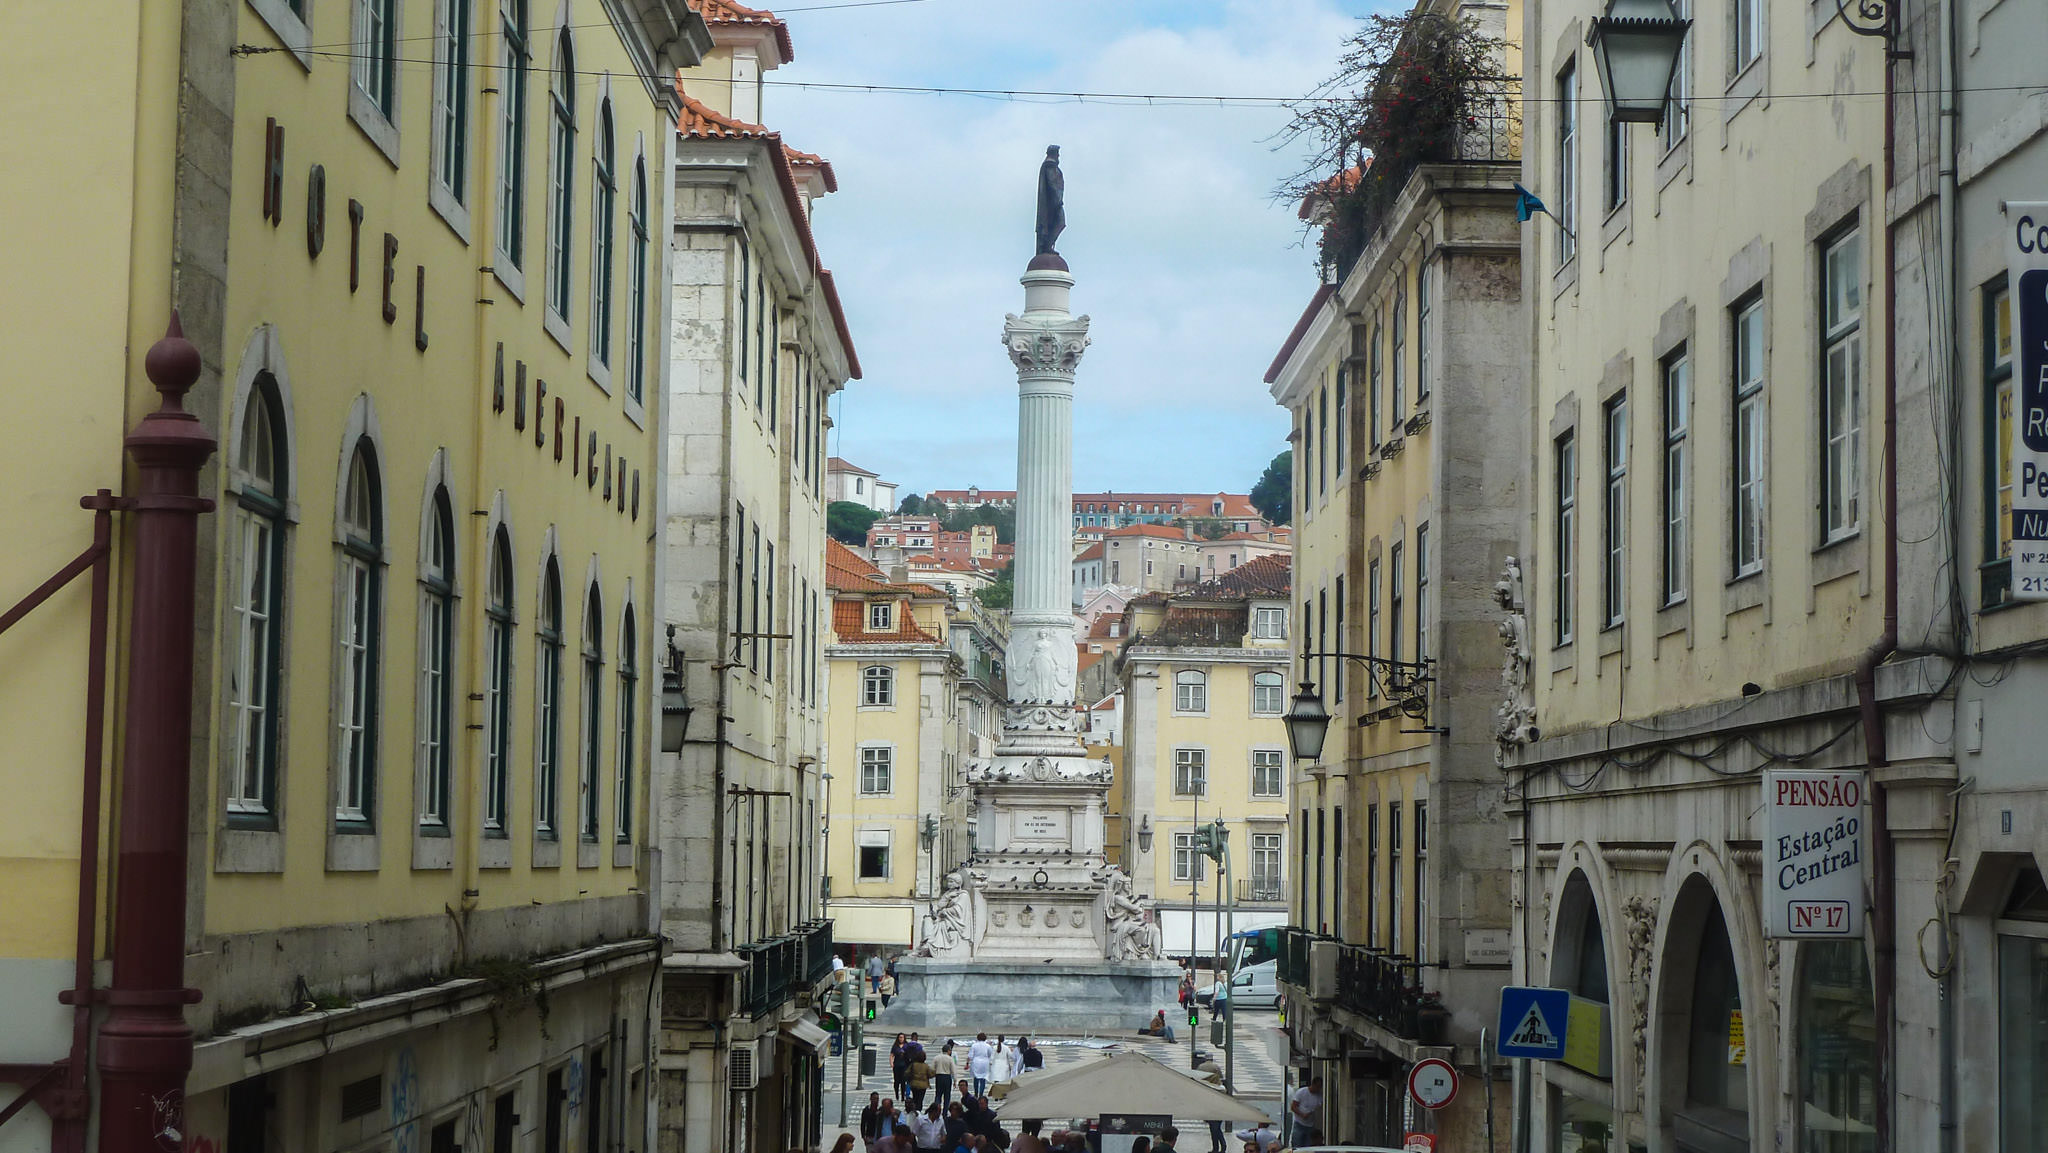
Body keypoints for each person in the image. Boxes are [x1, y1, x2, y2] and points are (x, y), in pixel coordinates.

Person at [1288, 1075, 1324, 1147]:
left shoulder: (1319, 1096)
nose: (1318, 1089)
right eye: (1317, 1087)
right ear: (1313, 1085)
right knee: (1297, 1143)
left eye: (1320, 1087)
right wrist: (1302, 1114)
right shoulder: (1302, 1092)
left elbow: (1318, 1107)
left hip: (1310, 1125)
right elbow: (1293, 1107)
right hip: (1299, 1123)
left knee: (1308, 1145)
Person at [967, 1033, 994, 1098]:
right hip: (985, 1063)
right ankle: (981, 1095)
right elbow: (990, 1054)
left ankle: (976, 1093)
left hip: (976, 1062)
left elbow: (970, 1056)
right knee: (983, 1079)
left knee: (976, 1078)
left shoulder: (974, 1045)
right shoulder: (988, 1046)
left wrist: (967, 1063)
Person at [932, 1040, 957, 1107]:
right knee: (947, 1095)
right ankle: (945, 1112)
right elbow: (953, 1070)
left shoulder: (936, 1058)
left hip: (939, 1077)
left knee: (938, 1094)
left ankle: (936, 1108)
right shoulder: (950, 1059)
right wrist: (955, 1080)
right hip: (947, 1077)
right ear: (948, 1051)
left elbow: (932, 1069)